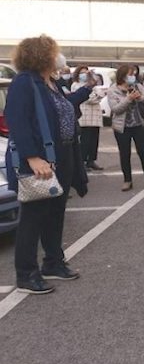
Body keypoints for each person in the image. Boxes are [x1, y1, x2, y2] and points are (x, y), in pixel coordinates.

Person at [5, 35, 89, 293]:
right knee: (33, 216)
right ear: (42, 56)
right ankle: (26, 274)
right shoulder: (24, 82)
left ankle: (53, 262)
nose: (58, 57)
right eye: (55, 52)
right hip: (40, 159)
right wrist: (33, 157)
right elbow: (17, 121)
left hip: (61, 156)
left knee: (55, 213)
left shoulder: (50, 82)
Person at [107, 65, 144, 191]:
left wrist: (140, 97)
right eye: (130, 74)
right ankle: (127, 180)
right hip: (122, 127)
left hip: (139, 124)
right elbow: (115, 109)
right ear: (122, 76)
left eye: (133, 74)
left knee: (143, 152)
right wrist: (128, 99)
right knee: (124, 153)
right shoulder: (113, 90)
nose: (132, 77)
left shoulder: (138, 86)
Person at [71, 65, 105, 171]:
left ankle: (91, 160)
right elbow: (89, 99)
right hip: (84, 116)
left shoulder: (92, 85)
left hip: (95, 117)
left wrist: (95, 95)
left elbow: (101, 94)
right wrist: (95, 96)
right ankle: (83, 161)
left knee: (94, 140)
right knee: (84, 140)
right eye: (82, 73)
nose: (84, 75)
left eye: (86, 73)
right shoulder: (76, 85)